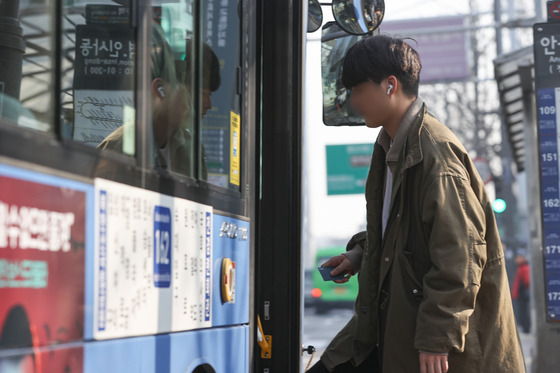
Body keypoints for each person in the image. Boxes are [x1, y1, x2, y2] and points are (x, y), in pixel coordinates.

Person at [307, 35, 525, 373]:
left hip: (439, 341)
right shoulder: (394, 146)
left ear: (390, 85)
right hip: (396, 321)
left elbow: (461, 254)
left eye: (357, 89)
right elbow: (405, 232)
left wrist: (437, 337)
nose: (352, 101)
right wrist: (360, 255)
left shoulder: (434, 153)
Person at [512, 250, 531, 333]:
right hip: (519, 294)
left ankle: (526, 328)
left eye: (519, 258)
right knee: (521, 311)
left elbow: (527, 281)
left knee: (523, 312)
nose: (517, 259)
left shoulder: (524, 268)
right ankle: (524, 327)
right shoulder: (520, 267)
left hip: (523, 294)